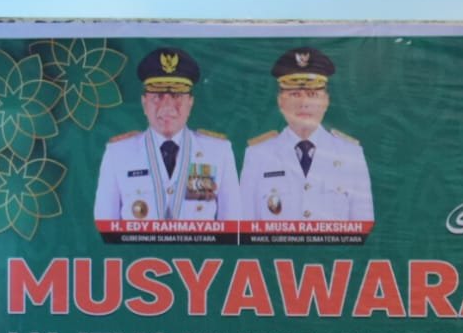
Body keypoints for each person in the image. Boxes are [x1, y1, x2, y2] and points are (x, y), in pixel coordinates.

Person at [93, 47, 240, 221]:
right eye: (157, 96)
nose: (167, 106)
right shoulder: (118, 153)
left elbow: (233, 223)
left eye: (177, 95)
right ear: (144, 103)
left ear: (190, 102)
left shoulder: (218, 152)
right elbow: (106, 224)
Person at [237, 47, 374, 222]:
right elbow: (244, 225)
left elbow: (363, 225)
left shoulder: (350, 155)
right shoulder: (257, 155)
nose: (304, 103)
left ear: (326, 101)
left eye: (312, 94)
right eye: (294, 94)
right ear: (280, 101)